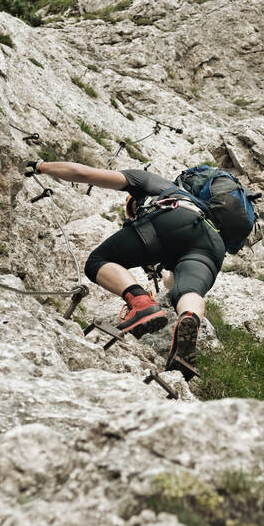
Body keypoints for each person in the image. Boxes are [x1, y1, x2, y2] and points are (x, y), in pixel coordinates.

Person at [25, 159, 226, 379]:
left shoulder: (148, 181)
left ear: (132, 201)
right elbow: (172, 283)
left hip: (172, 216)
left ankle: (140, 303)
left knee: (98, 261)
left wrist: (41, 166)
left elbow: (82, 172)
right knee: (187, 292)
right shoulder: (197, 204)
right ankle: (188, 320)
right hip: (213, 242)